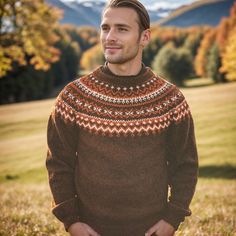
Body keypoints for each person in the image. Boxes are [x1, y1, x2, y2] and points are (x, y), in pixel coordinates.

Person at [46, 0, 198, 235]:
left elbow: (185, 165)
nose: (110, 37)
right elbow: (58, 163)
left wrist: (172, 218)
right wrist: (72, 221)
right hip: (90, 229)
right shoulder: (73, 97)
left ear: (145, 37)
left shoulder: (171, 100)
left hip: (153, 230)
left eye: (122, 29)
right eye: (105, 28)